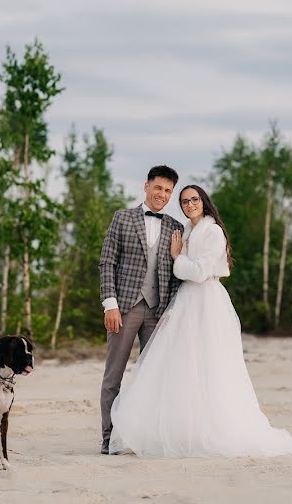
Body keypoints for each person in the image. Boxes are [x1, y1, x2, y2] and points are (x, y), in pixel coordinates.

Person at [109, 184, 292, 458]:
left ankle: (211, 429)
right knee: (181, 366)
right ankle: (181, 429)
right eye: (185, 202)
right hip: (186, 300)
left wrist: (177, 258)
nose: (190, 205)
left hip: (206, 301)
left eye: (194, 199)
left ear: (204, 201)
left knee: (210, 364)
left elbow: (199, 272)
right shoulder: (186, 230)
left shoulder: (213, 232)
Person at [98, 165, 183, 455]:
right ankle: (109, 440)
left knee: (154, 378)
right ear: (146, 186)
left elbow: (175, 275)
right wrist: (110, 304)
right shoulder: (122, 218)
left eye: (168, 191)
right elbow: (107, 262)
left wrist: (170, 311)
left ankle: (146, 438)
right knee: (114, 377)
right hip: (124, 309)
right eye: (158, 188)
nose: (162, 194)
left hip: (157, 312)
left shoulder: (176, 227)